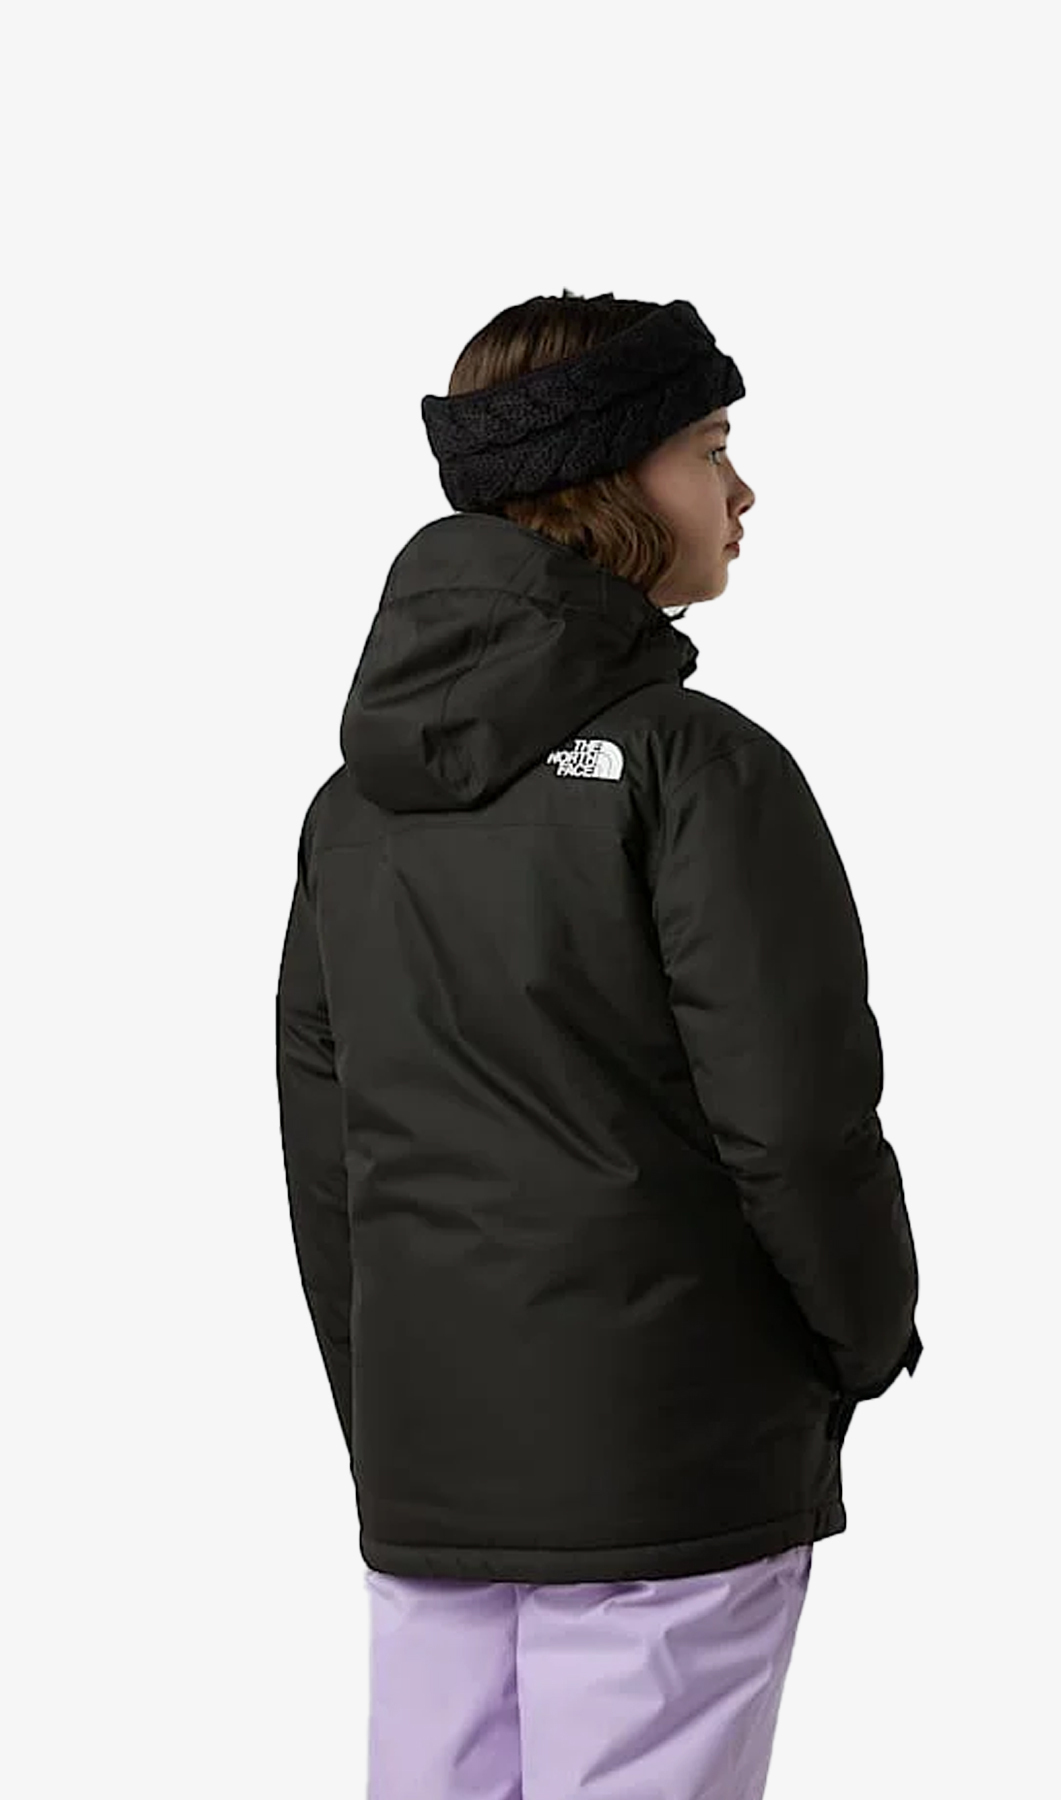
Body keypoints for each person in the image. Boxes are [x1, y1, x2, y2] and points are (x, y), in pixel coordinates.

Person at [274, 289, 923, 1800]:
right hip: (671, 1462)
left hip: (433, 1466)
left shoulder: (354, 807)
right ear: (610, 478)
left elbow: (327, 1150)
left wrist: (390, 1408)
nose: (742, 491)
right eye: (712, 448)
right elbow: (798, 1120)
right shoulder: (695, 769)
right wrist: (864, 1338)